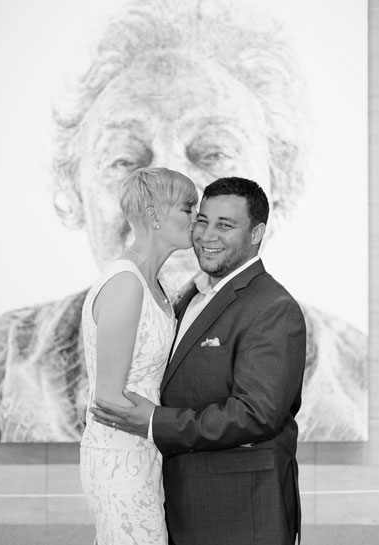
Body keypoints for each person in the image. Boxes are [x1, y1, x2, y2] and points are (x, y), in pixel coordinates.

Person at [0, 0, 365, 443]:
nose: (169, 197)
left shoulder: (357, 370)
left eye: (212, 152)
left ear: (277, 189)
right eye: (126, 159)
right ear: (72, 188)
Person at [91, 177, 306, 545]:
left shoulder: (273, 307)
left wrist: (156, 421)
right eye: (202, 220)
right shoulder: (187, 293)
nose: (207, 235)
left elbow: (257, 414)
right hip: (174, 497)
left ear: (257, 233)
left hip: (239, 508)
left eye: (225, 225)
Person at [80, 167, 197, 545]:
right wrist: (166, 424)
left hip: (145, 449)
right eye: (188, 208)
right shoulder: (126, 283)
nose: (197, 218)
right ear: (154, 216)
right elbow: (108, 398)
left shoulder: (156, 283)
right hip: (119, 456)